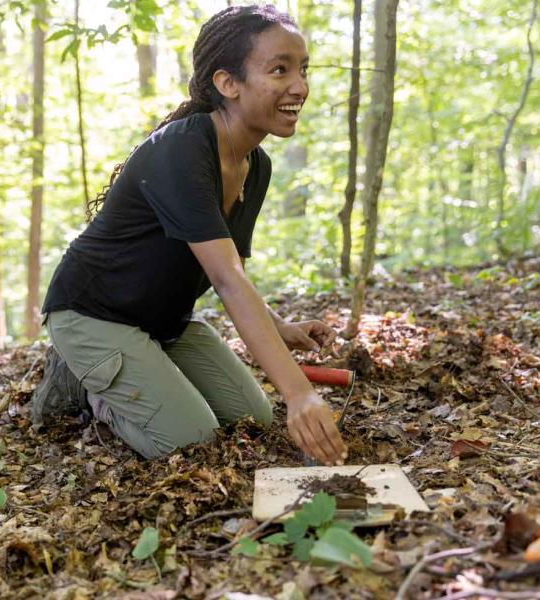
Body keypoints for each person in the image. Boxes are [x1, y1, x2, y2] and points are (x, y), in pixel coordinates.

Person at [34, 4, 348, 465]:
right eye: (280, 70)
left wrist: (282, 329)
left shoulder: (254, 165)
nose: (299, 86)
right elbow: (225, 281)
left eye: (303, 70)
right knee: (192, 442)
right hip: (92, 315)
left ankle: (133, 373)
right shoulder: (183, 148)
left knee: (252, 419)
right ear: (228, 83)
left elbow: (231, 272)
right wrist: (300, 395)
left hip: (164, 322)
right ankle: (93, 391)